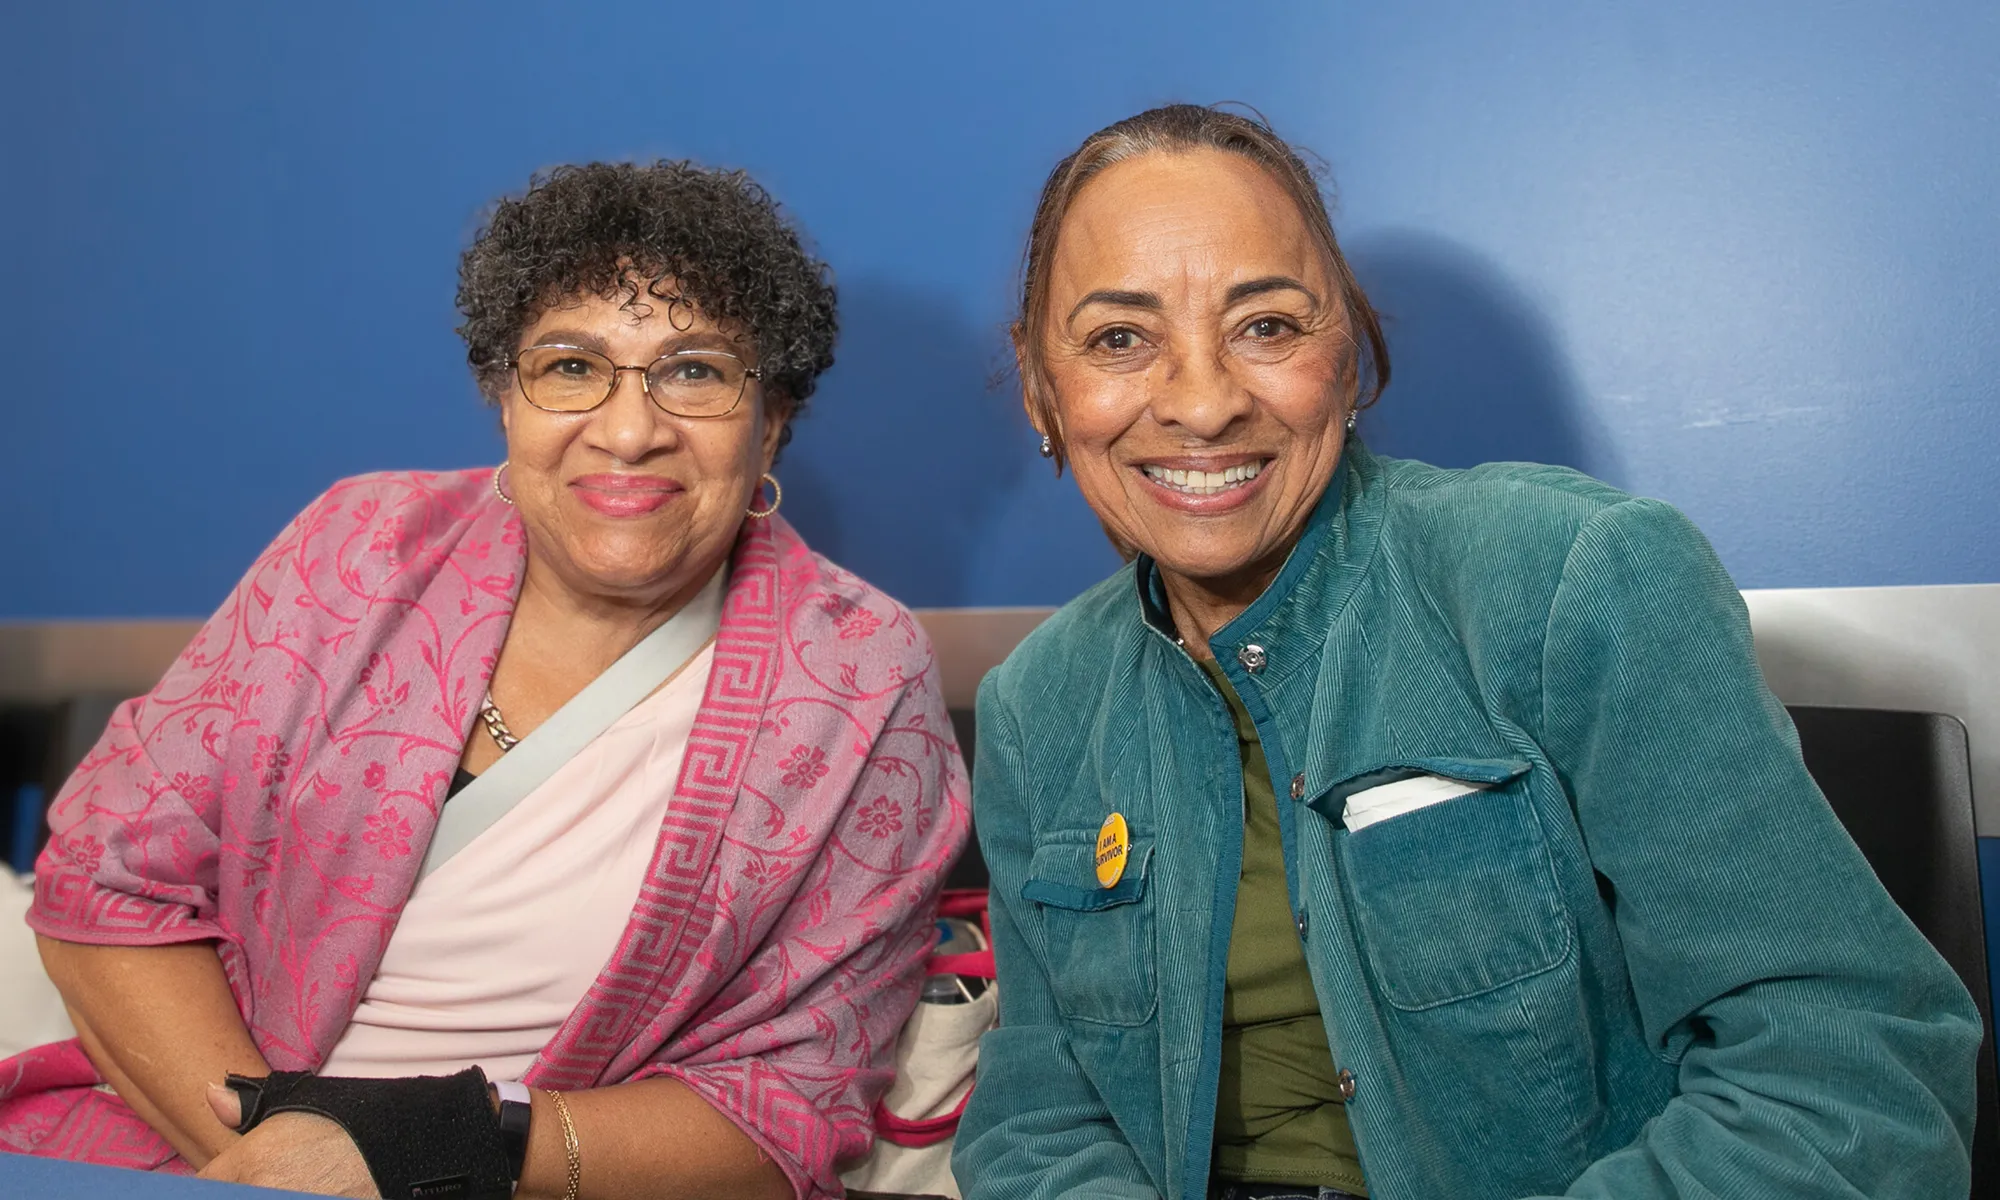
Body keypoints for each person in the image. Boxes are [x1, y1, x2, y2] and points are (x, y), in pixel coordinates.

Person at [952, 104, 1980, 1200]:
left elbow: (1846, 1082)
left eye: (1265, 326)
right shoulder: (1037, 705)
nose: (1201, 402)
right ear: (1038, 390)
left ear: (1347, 357)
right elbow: (1037, 1127)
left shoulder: (1573, 581)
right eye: (1119, 338)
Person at [0, 160, 968, 1200]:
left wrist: (441, 1148)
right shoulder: (357, 550)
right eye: (569, 366)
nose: (629, 429)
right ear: (502, 394)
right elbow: (109, 880)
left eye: (693, 371)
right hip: (191, 1142)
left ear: (771, 417)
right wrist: (265, 1164)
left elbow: (787, 1105)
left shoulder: (857, 681)